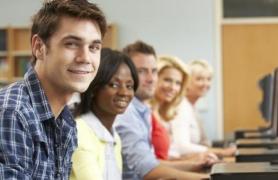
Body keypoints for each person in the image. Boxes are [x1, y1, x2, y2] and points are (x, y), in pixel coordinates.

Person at [0, 0, 106, 179]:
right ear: (38, 47)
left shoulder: (65, 120)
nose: (86, 58)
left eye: (94, 47)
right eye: (71, 44)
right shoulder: (13, 112)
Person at [115, 41, 210, 180]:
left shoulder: (142, 110)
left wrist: (196, 165)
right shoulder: (126, 112)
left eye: (153, 71)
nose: (151, 79)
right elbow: (146, 169)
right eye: (141, 71)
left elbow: (152, 163)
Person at [70, 48, 139, 180]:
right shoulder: (79, 132)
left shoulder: (115, 137)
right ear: (94, 88)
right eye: (114, 85)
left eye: (129, 86)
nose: (124, 93)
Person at [150, 56, 219, 163]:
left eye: (178, 83)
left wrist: (196, 159)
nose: (173, 87)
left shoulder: (164, 112)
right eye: (167, 80)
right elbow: (179, 149)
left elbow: (168, 155)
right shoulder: (148, 112)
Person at [181, 59, 236, 158]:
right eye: (199, 79)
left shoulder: (192, 107)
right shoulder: (181, 106)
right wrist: (221, 152)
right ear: (186, 82)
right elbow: (183, 147)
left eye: (208, 79)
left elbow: (203, 143)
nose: (205, 84)